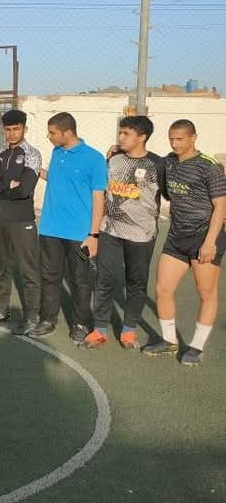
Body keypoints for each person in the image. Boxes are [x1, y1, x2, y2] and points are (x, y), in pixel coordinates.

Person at [142, 119, 226, 365]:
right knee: (162, 289)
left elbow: (221, 207)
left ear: (193, 138)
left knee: (206, 292)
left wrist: (210, 242)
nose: (175, 144)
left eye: (180, 139)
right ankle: (169, 341)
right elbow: (148, 158)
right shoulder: (169, 162)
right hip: (177, 237)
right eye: (171, 139)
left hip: (204, 237)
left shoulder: (210, 167)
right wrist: (118, 149)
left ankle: (196, 347)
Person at [81, 115, 164, 350]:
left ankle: (128, 330)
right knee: (104, 278)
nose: (121, 137)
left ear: (142, 137)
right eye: (121, 132)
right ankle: (99, 329)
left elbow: (169, 194)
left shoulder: (158, 164)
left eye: (126, 133)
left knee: (136, 282)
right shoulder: (113, 159)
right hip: (111, 230)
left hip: (142, 234)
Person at [28, 112, 107, 342]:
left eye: (52, 133)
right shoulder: (56, 152)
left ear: (68, 132)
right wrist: (36, 171)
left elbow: (99, 198)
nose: (49, 136)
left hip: (79, 233)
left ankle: (81, 323)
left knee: (80, 280)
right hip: (49, 229)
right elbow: (58, 179)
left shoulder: (94, 158)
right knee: (49, 277)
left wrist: (93, 234)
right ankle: (47, 319)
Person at [0, 109, 42, 333]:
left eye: (17, 129)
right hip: (0, 219)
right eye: (8, 129)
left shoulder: (32, 154)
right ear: (3, 130)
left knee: (28, 269)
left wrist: (2, 187)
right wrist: (8, 184)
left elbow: (25, 190)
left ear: (25, 129)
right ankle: (2, 309)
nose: (12, 133)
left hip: (22, 219)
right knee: (0, 265)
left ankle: (32, 317)